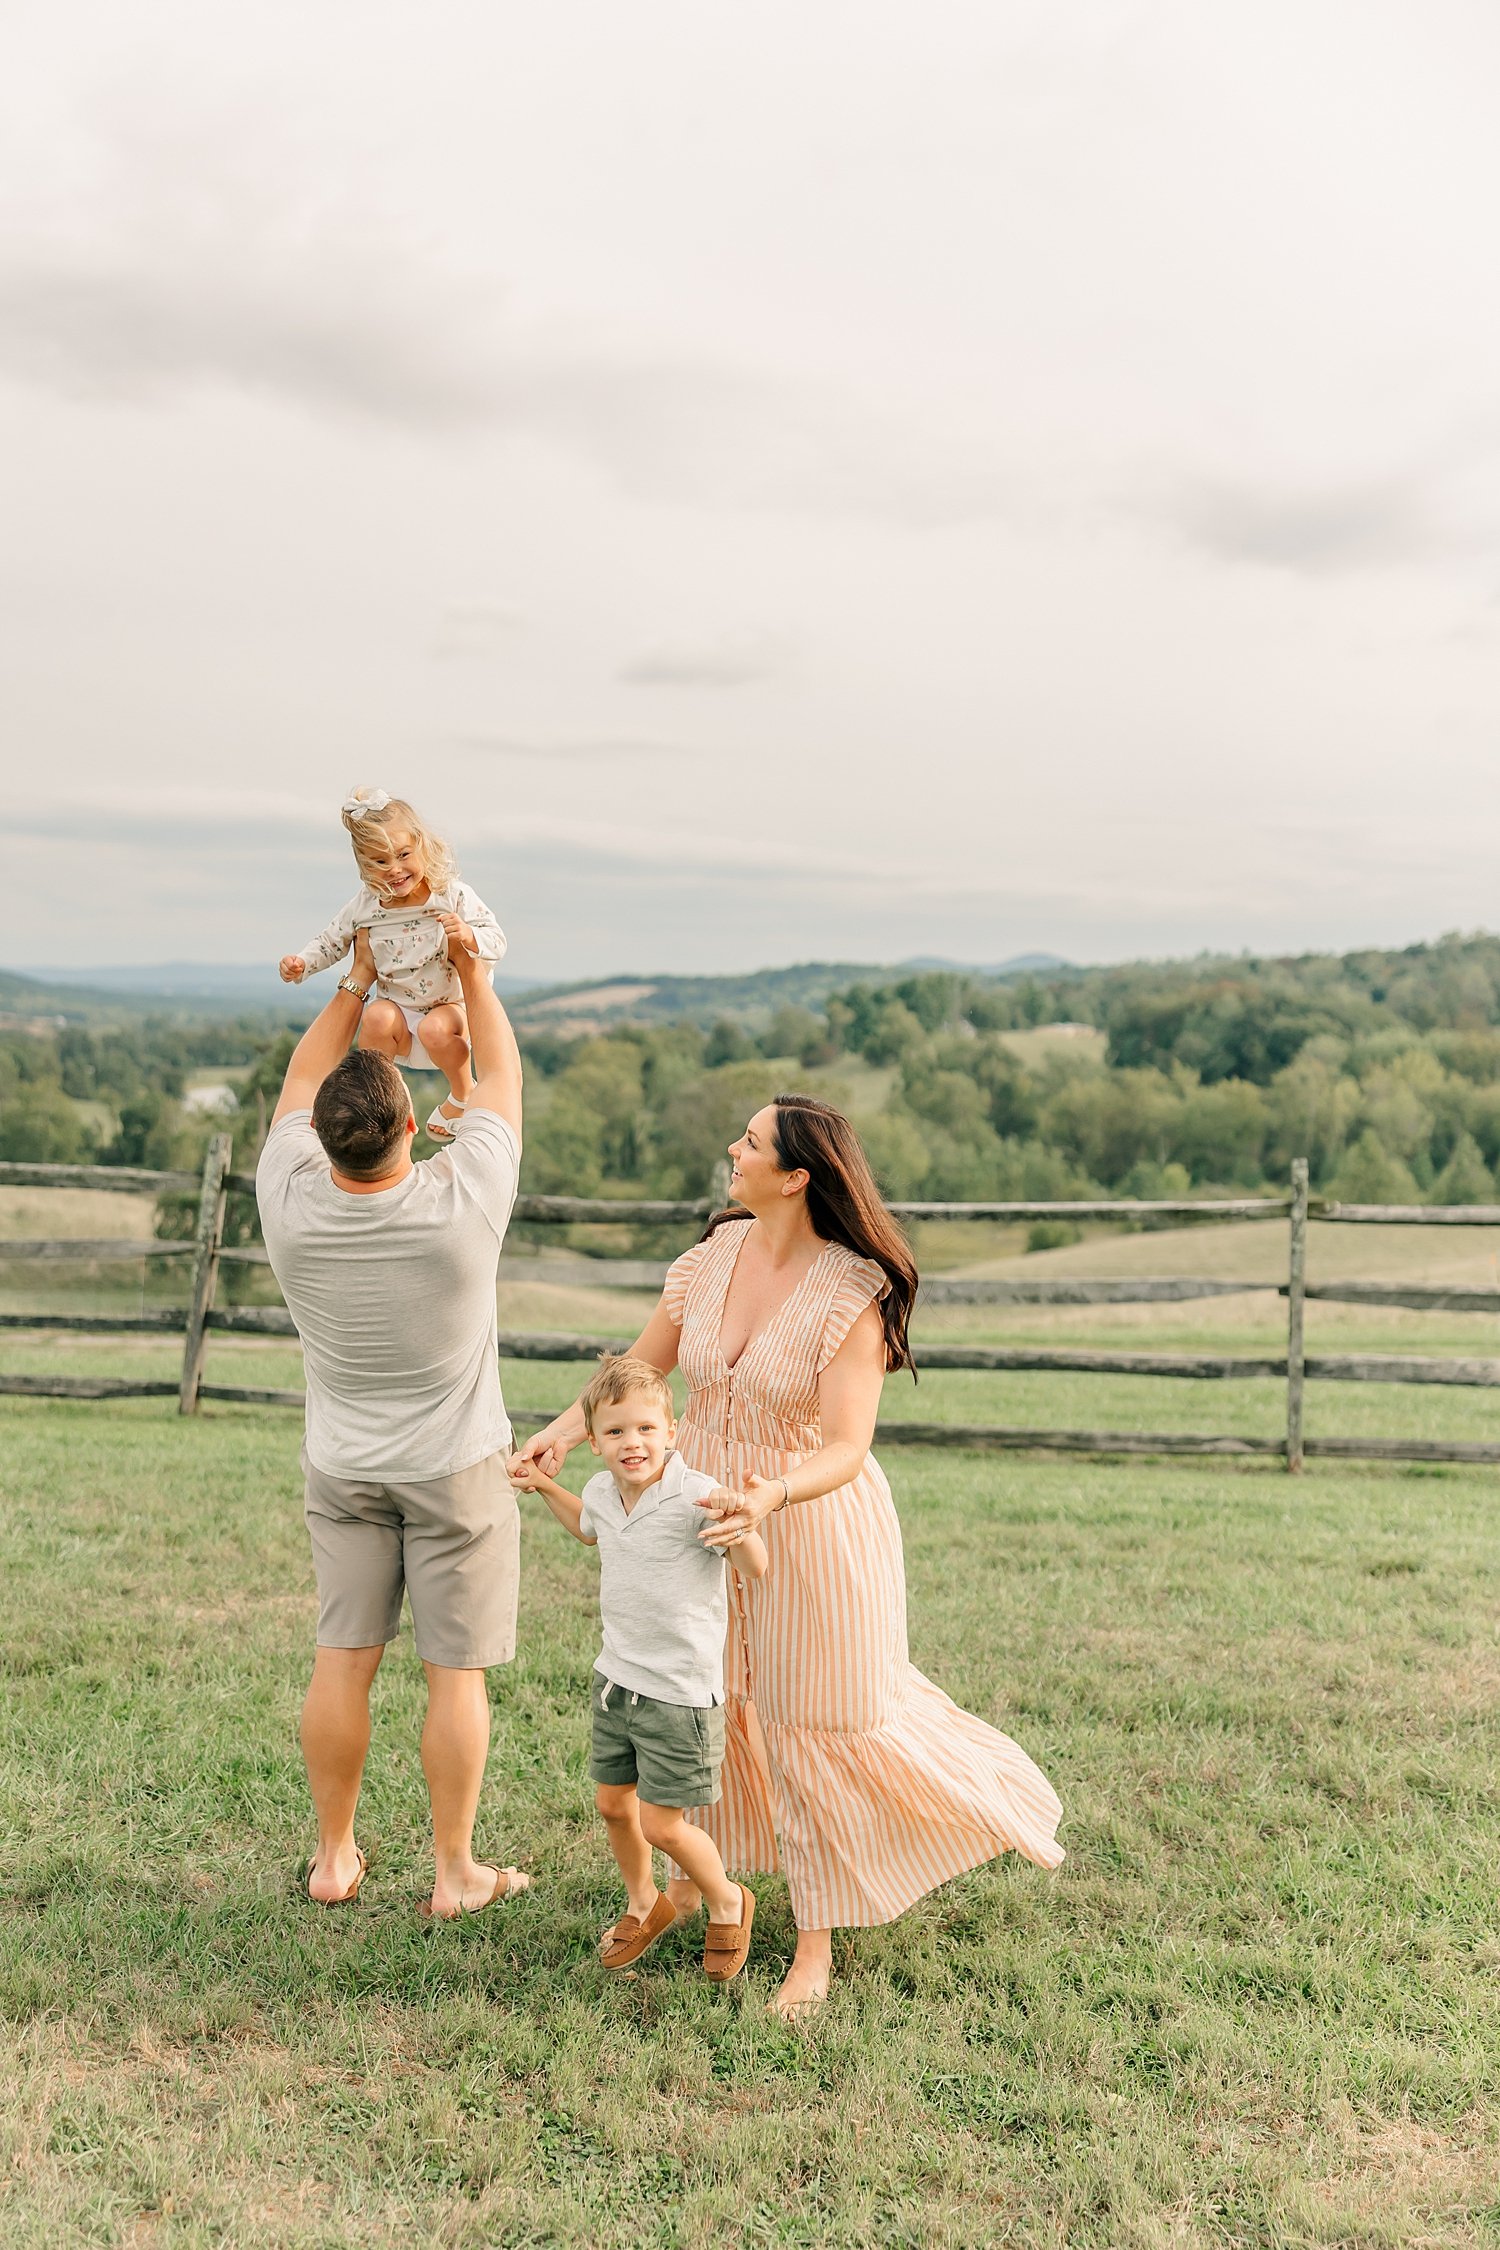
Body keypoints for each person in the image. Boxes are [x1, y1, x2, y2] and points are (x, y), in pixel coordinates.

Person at [511, 1094, 1064, 2017]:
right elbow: (641, 1368)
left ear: (797, 1175)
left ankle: (815, 1946)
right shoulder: (711, 1255)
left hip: (808, 1518)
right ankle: (696, 1885)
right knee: (708, 1701)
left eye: (752, 1142)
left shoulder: (852, 1289)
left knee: (807, 1721)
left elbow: (847, 1445)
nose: (734, 1147)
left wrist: (770, 1493)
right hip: (699, 1514)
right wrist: (562, 1435)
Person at [257, 917, 527, 1917]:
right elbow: (498, 1079)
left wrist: (352, 984)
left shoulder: (286, 1199)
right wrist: (473, 973)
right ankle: (455, 1870)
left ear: (323, 1140)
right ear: (411, 1127)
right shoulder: (463, 1205)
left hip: (344, 1466)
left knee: (344, 1661)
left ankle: (334, 1856)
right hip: (457, 1466)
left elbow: (298, 1084)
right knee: (454, 1676)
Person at [511, 1355, 767, 1981]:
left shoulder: (697, 1495)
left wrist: (741, 1525)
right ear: (593, 1441)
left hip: (679, 1694)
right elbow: (589, 1530)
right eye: (618, 1431)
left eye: (648, 1428)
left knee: (662, 1824)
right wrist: (545, 1486)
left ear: (671, 1433)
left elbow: (755, 1568)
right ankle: (642, 1901)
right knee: (612, 1804)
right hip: (617, 1683)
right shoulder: (601, 1490)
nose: (634, 1443)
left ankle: (728, 1900)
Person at [278, 786, 506, 1142]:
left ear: (421, 845)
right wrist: (302, 964)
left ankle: (463, 1094)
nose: (395, 870)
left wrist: (467, 935)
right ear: (365, 865)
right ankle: (386, 1105)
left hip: (448, 1011)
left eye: (403, 855)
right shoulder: (367, 905)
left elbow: (496, 939)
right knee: (376, 1016)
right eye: (381, 862)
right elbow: (331, 940)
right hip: (398, 1018)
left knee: (433, 1028)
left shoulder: (451, 895)